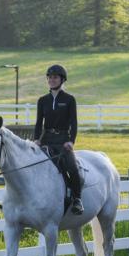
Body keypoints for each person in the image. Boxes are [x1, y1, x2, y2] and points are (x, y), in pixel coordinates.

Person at [33, 64, 84, 214]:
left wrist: (71, 141)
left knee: (72, 168)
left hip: (63, 141)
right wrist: (36, 139)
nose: (51, 80)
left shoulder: (69, 100)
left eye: (55, 77)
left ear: (62, 80)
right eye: (49, 77)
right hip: (46, 140)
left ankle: (77, 199)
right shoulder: (42, 100)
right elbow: (38, 123)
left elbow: (74, 123)